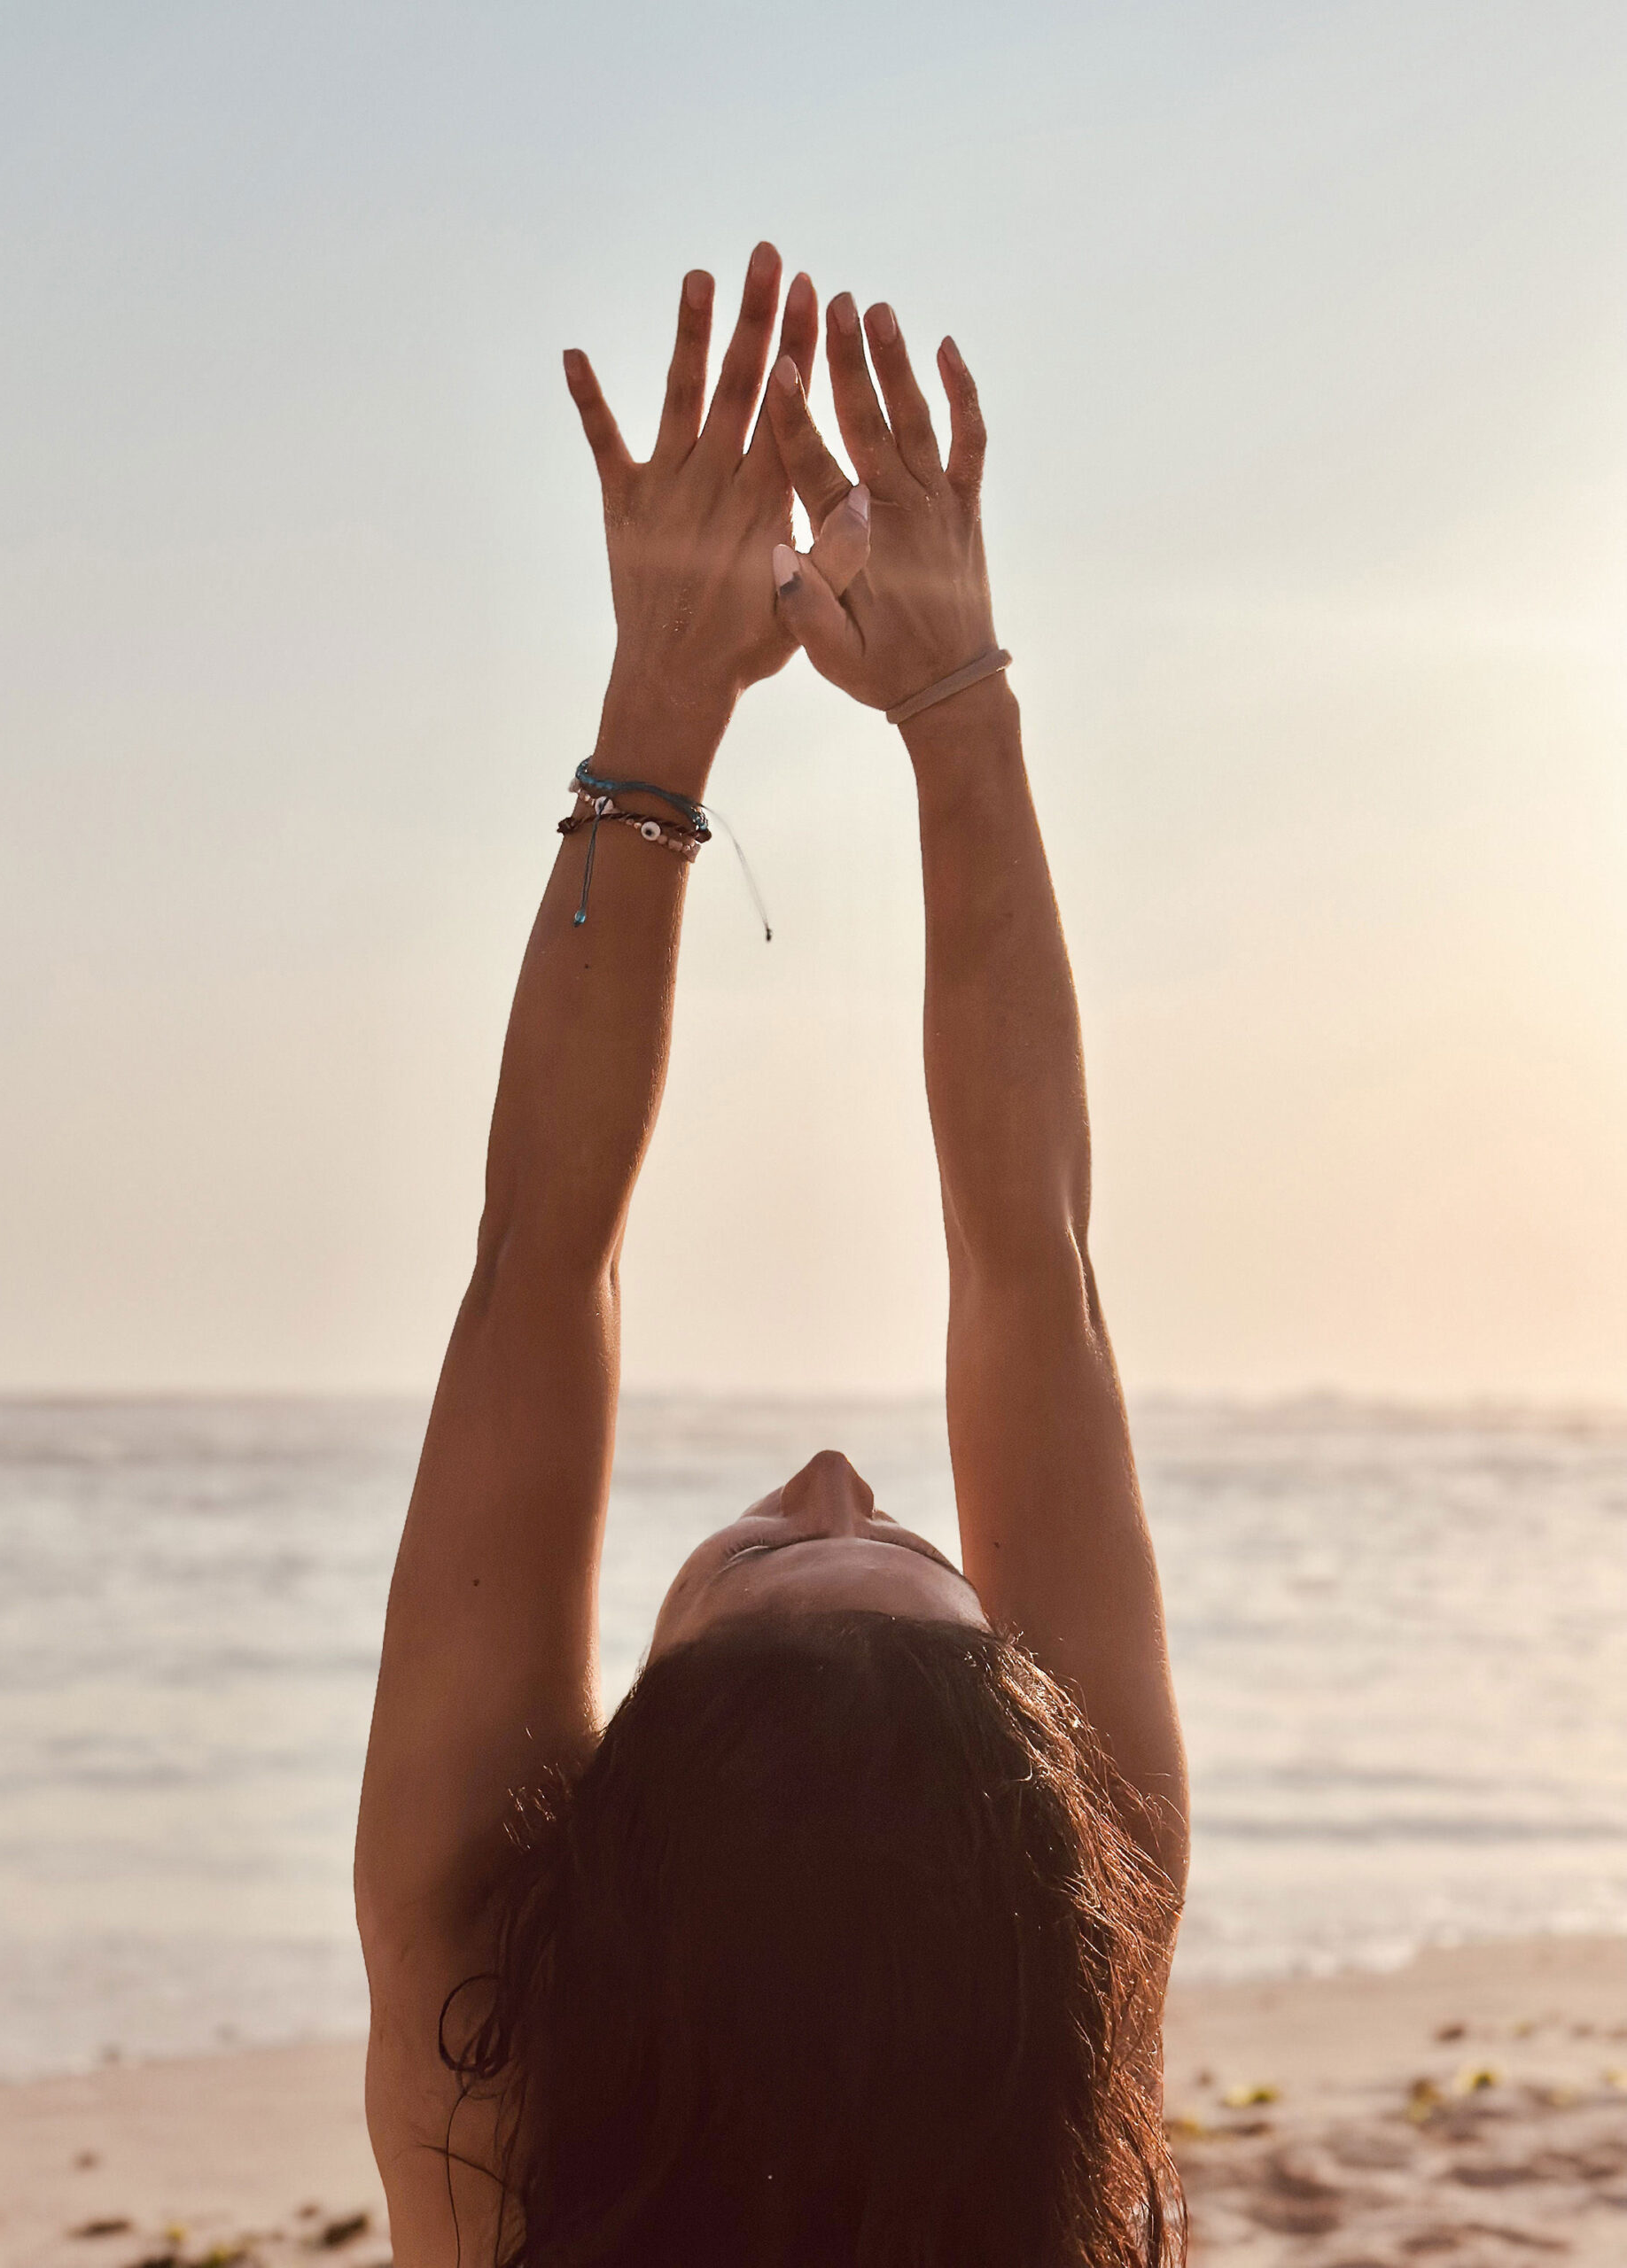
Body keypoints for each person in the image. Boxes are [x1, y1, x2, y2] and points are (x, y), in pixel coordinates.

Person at [355, 241, 1189, 2268]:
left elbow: (541, 1265)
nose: (832, 1467)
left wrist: (663, 707)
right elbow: (1031, 1263)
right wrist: (953, 704)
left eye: (760, 1546)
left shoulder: (512, 2109)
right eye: (912, 1543)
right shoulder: (1046, 2071)